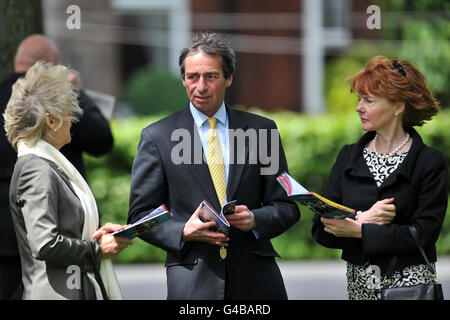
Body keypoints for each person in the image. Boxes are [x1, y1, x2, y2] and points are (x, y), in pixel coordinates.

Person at [128, 32, 300, 300]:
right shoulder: (158, 137)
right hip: (192, 283)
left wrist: (255, 219)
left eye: (210, 76)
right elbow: (140, 216)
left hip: (256, 281)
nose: (200, 86)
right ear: (183, 80)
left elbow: (287, 207)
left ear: (228, 78)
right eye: (192, 77)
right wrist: (183, 231)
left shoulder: (261, 131)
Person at [311, 56, 448, 300]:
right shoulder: (347, 157)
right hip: (359, 291)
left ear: (398, 106)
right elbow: (321, 229)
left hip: (411, 290)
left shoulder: (429, 162)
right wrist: (361, 218)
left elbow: (424, 234)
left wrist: (359, 231)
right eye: (359, 99)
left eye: (369, 100)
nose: (358, 107)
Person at [3, 61, 131, 300]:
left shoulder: (46, 163)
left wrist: (94, 234)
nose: (73, 119)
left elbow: (60, 230)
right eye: (69, 112)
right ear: (50, 121)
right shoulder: (36, 167)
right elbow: (45, 243)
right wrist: (97, 249)